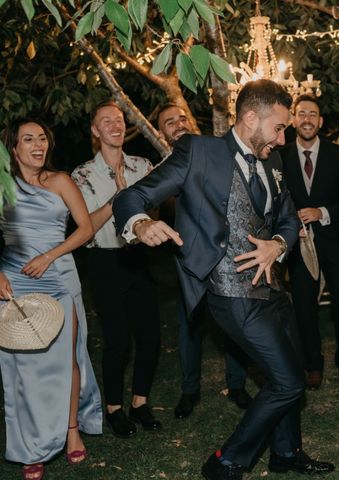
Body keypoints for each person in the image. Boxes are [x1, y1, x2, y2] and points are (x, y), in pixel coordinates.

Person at [112, 80, 334, 479]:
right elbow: (131, 197)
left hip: (273, 287)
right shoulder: (199, 152)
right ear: (250, 117)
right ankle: (226, 462)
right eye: (278, 128)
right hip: (230, 291)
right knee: (288, 383)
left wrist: (278, 245)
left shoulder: (273, 161)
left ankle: (285, 452)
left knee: (287, 370)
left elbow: (286, 216)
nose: (283, 139)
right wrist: (141, 223)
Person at [0, 119, 102, 479]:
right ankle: (31, 444)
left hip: (57, 278)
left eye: (42, 138)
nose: (38, 145)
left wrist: (50, 255)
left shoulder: (60, 181)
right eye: (28, 140)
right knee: (21, 369)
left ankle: (71, 428)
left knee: (67, 357)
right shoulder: (4, 185)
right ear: (14, 148)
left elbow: (86, 227)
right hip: (13, 281)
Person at [71, 101, 162, 438]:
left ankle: (140, 402)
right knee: (117, 339)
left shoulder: (143, 166)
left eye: (120, 120)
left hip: (138, 258)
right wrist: (120, 200)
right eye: (106, 121)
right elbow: (86, 228)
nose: (115, 125)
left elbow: (155, 214)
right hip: (105, 260)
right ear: (95, 131)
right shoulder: (82, 174)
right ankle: (114, 409)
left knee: (150, 335)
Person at [156, 103, 251, 417]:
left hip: (225, 251)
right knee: (190, 324)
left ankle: (237, 385)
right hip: (187, 255)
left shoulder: (215, 153)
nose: (178, 124)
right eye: (169, 122)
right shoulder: (161, 168)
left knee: (233, 320)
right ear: (161, 133)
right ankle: (189, 390)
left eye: (182, 117)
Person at [281, 94, 339, 393]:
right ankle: (312, 366)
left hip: (334, 241)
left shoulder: (338, 155)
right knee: (303, 307)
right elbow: (276, 201)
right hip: (299, 245)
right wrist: (290, 223)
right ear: (293, 119)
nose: (307, 120)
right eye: (301, 114)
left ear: (321, 121)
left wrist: (322, 213)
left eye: (312, 114)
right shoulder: (281, 155)